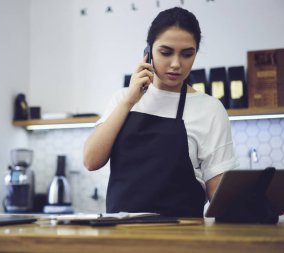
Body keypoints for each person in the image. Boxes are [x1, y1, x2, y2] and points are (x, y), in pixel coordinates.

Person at [83, 7, 239, 217]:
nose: (176, 64)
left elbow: (220, 197)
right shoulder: (123, 100)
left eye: (187, 54)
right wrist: (130, 100)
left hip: (183, 239)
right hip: (121, 237)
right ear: (148, 52)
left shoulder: (210, 109)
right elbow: (91, 161)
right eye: (166, 52)